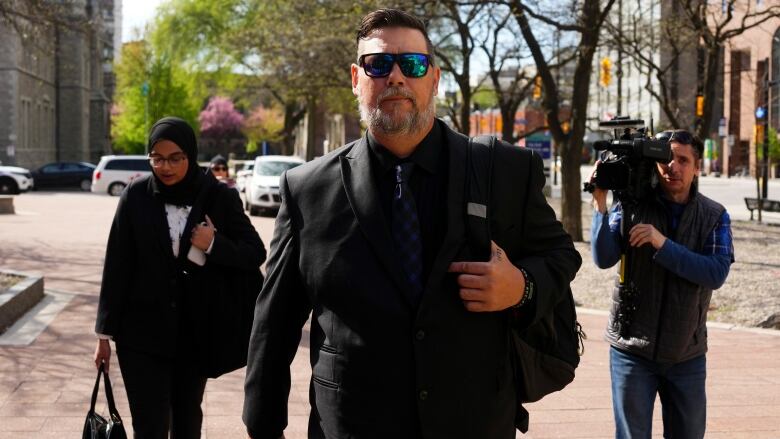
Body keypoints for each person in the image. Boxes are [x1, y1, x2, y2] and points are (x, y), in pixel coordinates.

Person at [242, 9, 580, 439]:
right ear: (355, 78)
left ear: (433, 79)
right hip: (350, 424)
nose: (396, 77)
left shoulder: (506, 171)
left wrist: (521, 287)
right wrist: (263, 425)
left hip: (474, 420)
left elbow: (560, 256)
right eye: (378, 64)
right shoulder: (306, 189)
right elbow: (274, 323)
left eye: (413, 65)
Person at [93, 117, 266, 439]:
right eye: (157, 158)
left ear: (191, 154)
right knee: (149, 423)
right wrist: (103, 334)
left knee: (187, 419)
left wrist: (213, 244)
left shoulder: (217, 197)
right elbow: (117, 264)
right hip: (139, 334)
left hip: (194, 332)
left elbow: (255, 252)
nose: (165, 167)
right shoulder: (135, 197)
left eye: (175, 158)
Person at [590, 129, 734, 438]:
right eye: (667, 159)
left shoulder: (715, 216)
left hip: (687, 355)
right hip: (631, 349)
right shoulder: (633, 206)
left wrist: (662, 244)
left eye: (683, 160)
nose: (673, 167)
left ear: (697, 167)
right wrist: (600, 206)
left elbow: (715, 273)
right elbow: (603, 257)